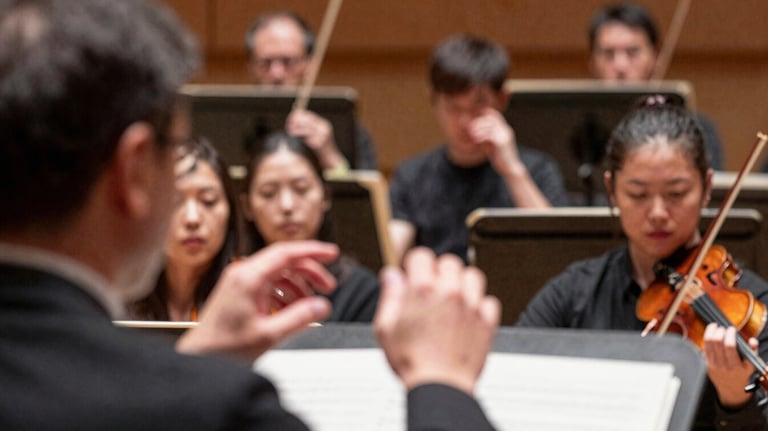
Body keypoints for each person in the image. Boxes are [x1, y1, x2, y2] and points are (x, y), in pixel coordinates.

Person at [0, 0, 501, 429]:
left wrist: (195, 365)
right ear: (132, 171)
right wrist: (443, 384)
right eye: (173, 150)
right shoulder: (225, 411)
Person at [517, 98, 768, 430]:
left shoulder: (750, 304)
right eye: (638, 194)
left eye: (677, 193)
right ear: (611, 190)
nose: (658, 212)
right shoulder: (575, 294)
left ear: (707, 188)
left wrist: (736, 401)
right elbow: (514, 382)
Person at [389, 33, 569, 263]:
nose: (464, 122)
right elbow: (389, 256)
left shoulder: (538, 170)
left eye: (478, 105)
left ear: (502, 99)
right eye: (453, 108)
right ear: (433, 100)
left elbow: (557, 252)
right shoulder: (410, 176)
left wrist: (512, 171)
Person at [242, 131, 379, 322]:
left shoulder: (361, 290)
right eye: (268, 193)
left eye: (301, 189)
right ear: (247, 206)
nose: (287, 205)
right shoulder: (234, 286)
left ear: (325, 197)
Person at [588, 2, 725, 170]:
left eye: (632, 52)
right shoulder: (578, 129)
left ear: (656, 58)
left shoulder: (697, 129)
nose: (620, 66)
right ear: (592, 62)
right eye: (609, 54)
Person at [245, 11, 378, 171]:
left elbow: (367, 192)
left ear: (310, 65)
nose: (277, 74)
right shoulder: (228, 123)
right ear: (250, 67)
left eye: (288, 62)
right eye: (265, 63)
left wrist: (330, 157)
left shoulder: (348, 131)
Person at [129, 137, 242, 321]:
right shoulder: (118, 295)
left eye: (208, 201)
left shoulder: (253, 292)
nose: (192, 219)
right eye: (174, 202)